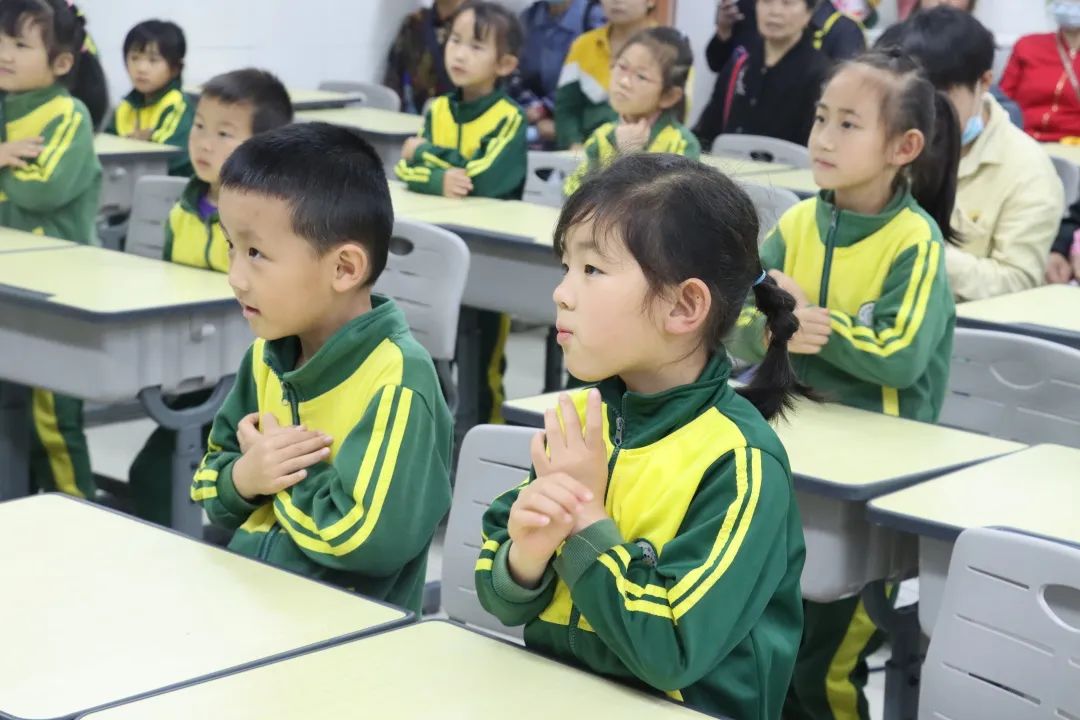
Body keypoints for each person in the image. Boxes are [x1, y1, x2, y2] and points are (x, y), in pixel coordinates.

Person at [475, 153, 808, 719]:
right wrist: (524, 559)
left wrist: (584, 521)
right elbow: (501, 595)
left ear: (684, 305)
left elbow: (672, 649)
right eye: (566, 266)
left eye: (592, 270)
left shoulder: (741, 462)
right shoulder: (586, 421)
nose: (561, 293)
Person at [730, 48, 959, 720]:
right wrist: (770, 329)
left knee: (823, 671)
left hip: (874, 485)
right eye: (820, 118)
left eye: (848, 124)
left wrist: (812, 326)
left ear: (903, 148)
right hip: (798, 452)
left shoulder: (915, 241)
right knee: (769, 650)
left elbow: (900, 357)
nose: (823, 138)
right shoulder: (798, 222)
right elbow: (738, 317)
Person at [191, 122, 453, 613]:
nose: (235, 277)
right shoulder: (266, 356)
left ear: (344, 268)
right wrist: (245, 477)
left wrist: (280, 474)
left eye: (255, 253)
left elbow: (366, 539)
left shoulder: (398, 379)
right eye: (231, 246)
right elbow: (209, 483)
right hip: (251, 607)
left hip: (346, 635)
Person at [126, 69, 294, 526]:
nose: (203, 143)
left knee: (160, 476)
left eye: (224, 134)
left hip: (255, 383)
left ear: (263, 147)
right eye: (199, 126)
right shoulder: (183, 211)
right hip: (195, 369)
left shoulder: (273, 223)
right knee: (151, 475)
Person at [395, 1, 527, 426]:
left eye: (475, 46)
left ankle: (486, 438)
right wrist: (437, 176)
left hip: (490, 262)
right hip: (437, 253)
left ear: (505, 64)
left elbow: (480, 178)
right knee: (430, 361)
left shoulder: (509, 118)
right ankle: (436, 441)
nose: (459, 53)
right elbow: (404, 170)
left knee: (485, 366)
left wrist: (424, 154)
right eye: (454, 41)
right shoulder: (436, 109)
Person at [878, 7, 1064, 301]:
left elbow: (1017, 281)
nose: (925, 112)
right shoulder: (892, 142)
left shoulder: (1028, 169)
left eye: (941, 97)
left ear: (985, 82)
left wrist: (911, 246)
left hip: (965, 321)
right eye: (915, 96)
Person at [0, 0, 103, 500]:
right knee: (11, 412)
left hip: (59, 290)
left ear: (61, 62)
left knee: (54, 420)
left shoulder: (67, 114)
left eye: (20, 45)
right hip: (11, 284)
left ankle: (80, 512)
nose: (5, 54)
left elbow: (40, 188)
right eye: (1, 41)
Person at [564, 27, 699, 195]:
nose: (624, 81)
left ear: (669, 96)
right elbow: (572, 191)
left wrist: (630, 156)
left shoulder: (681, 144)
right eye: (622, 66)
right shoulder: (602, 136)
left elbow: (676, 203)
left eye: (641, 76)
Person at [695, 0, 830, 151]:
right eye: (766, 1)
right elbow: (708, 128)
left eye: (787, 3)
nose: (774, 12)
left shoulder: (820, 73)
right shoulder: (740, 62)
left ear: (808, 12)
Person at [555, 0, 655, 149]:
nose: (616, 1)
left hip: (648, 151)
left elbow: (676, 113)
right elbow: (566, 109)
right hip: (587, 152)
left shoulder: (668, 48)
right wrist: (575, 148)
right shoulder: (583, 45)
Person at [512, 0, 606, 147]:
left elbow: (595, 78)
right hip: (531, 122)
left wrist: (546, 108)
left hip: (579, 125)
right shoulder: (528, 17)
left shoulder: (594, 16)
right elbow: (514, 72)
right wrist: (532, 107)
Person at [105, 19, 193, 175]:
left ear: (175, 68)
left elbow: (170, 158)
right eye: (134, 58)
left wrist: (132, 144)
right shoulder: (125, 106)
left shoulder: (177, 105)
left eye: (153, 60)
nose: (141, 68)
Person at [707, 0, 865, 74]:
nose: (775, 12)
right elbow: (716, 64)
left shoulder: (844, 30)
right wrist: (723, 31)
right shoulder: (749, 9)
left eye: (787, 3)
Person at [1001, 0, 1080, 141]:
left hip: (1072, 143)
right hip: (1020, 139)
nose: (1067, 3)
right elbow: (1001, 100)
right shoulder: (1027, 46)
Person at [384, 0, 466, 114]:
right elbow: (394, 76)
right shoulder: (414, 23)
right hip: (413, 118)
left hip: (461, 117)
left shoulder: (481, 26)